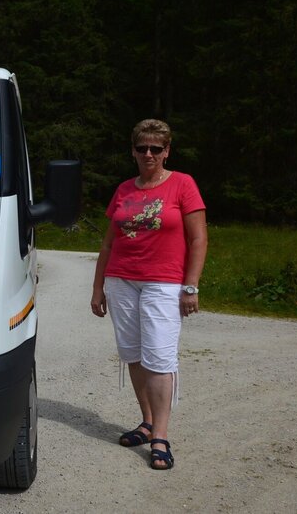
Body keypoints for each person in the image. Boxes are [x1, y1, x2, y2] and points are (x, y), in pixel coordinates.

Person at [90, 119, 208, 470]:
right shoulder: (125, 189)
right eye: (142, 148)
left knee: (159, 356)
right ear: (133, 151)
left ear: (167, 150)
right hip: (121, 280)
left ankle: (161, 436)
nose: (149, 154)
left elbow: (198, 239)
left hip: (164, 281)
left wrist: (190, 286)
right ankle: (147, 422)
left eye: (156, 148)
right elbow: (109, 242)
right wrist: (98, 287)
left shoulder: (183, 184)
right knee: (134, 354)